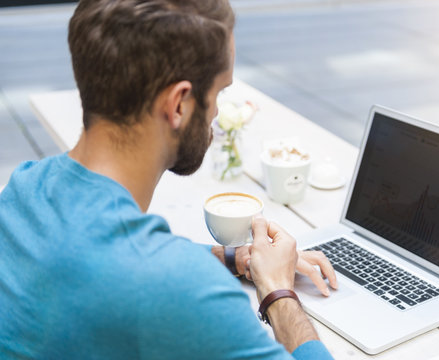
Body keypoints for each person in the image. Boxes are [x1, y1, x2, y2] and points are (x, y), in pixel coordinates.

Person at [0, 0, 339, 359]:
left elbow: (103, 258)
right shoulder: (180, 290)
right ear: (178, 104)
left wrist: (232, 258)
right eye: (219, 92)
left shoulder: (22, 190)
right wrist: (277, 291)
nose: (219, 112)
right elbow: (160, 279)